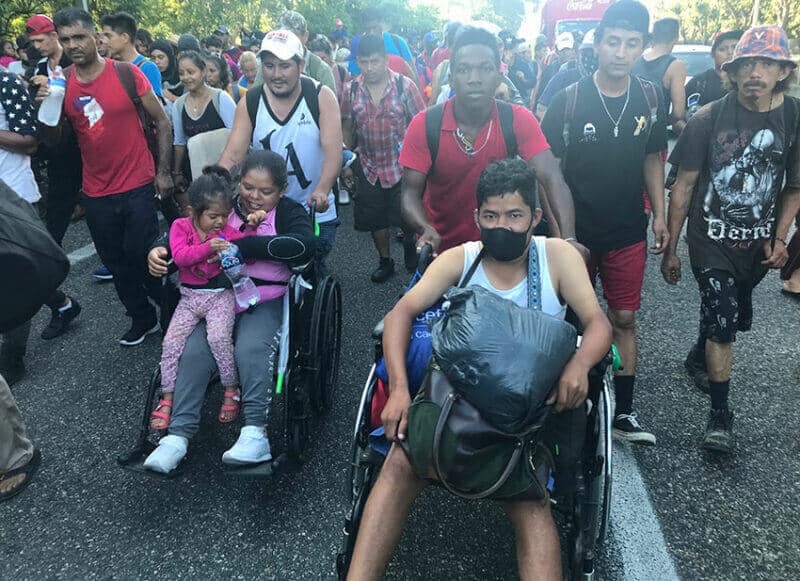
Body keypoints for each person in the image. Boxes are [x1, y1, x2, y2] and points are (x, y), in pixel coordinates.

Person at [347, 158, 612, 581]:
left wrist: (579, 364)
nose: (501, 226)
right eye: (490, 216)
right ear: (476, 217)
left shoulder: (558, 256)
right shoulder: (461, 259)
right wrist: (399, 389)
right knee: (399, 464)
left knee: (532, 502)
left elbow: (598, 323)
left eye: (514, 216)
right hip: (455, 404)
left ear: (536, 218)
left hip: (523, 418)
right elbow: (401, 314)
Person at [662, 25, 800, 454]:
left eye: (766, 64)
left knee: (729, 315)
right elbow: (683, 186)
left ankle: (695, 355)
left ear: (782, 71)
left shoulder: (794, 117)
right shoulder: (708, 118)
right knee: (723, 318)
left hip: (757, 246)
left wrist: (780, 239)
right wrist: (672, 246)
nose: (755, 72)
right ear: (732, 70)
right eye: (746, 64)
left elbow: (794, 186)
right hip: (711, 240)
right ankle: (720, 417)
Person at [541, 0, 669, 446]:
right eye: (612, 41)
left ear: (642, 48)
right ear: (597, 44)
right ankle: (568, 400)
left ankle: (625, 413)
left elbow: (654, 158)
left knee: (624, 318)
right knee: (570, 319)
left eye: (632, 44)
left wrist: (662, 217)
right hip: (575, 234)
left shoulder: (651, 97)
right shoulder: (568, 99)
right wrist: (559, 235)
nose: (620, 51)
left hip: (627, 229)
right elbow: (547, 170)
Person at [142, 152, 316, 474]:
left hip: (266, 296)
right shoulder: (225, 206)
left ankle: (254, 433)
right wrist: (158, 248)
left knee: (250, 347)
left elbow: (306, 245)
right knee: (193, 350)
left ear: (281, 190)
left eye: (265, 191)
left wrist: (247, 245)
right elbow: (187, 227)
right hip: (218, 296)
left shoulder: (289, 212)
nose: (254, 197)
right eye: (248, 187)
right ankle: (177, 436)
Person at [40, 8, 174, 346]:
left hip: (138, 182)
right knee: (116, 262)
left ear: (95, 37)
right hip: (96, 192)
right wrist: (49, 109)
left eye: (80, 37)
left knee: (144, 256)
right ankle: (142, 319)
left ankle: (173, 311)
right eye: (66, 39)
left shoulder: (127, 73)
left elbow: (163, 122)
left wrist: (163, 172)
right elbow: (54, 142)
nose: (74, 45)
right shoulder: (62, 82)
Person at [400, 26, 578, 257]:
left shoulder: (517, 119)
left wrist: (569, 239)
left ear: (499, 76)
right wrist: (425, 228)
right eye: (464, 70)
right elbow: (409, 193)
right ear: (451, 78)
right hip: (442, 253)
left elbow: (552, 177)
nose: (474, 79)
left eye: (485, 69)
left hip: (503, 251)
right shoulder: (424, 124)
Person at [150, 172, 269, 431]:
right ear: (193, 211)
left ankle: (230, 388)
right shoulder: (181, 227)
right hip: (190, 297)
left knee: (218, 339)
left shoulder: (227, 233)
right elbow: (180, 257)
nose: (220, 222)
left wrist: (250, 229)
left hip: (220, 297)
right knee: (171, 343)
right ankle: (167, 395)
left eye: (224, 215)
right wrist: (210, 247)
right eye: (213, 216)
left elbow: (246, 256)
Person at [219, 30, 343, 269]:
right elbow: (232, 154)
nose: (276, 74)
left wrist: (322, 189)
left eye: (285, 66)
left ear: (301, 65)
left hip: (313, 209)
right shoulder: (250, 102)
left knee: (309, 271)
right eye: (269, 66)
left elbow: (333, 152)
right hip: (265, 211)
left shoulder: (320, 97)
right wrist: (213, 188)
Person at [341, 34, 426, 282]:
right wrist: (346, 158)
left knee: (407, 215)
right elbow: (346, 124)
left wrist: (422, 161)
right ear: (358, 61)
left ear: (386, 59)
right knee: (374, 217)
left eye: (375, 61)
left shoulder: (404, 86)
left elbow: (421, 122)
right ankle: (385, 261)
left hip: (402, 165)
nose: (370, 68)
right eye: (364, 62)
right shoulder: (351, 89)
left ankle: (410, 244)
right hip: (367, 165)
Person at [172, 51, 236, 187]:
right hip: (197, 173)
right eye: (181, 73)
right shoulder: (179, 105)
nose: (186, 77)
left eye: (190, 72)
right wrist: (177, 173)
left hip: (225, 172)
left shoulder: (220, 98)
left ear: (203, 72)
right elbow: (179, 142)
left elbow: (236, 135)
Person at [632, 17, 686, 134]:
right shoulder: (676, 66)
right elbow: (678, 113)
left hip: (630, 132)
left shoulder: (635, 60)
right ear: (676, 37)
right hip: (655, 137)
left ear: (654, 36)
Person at [536, 29, 597, 119]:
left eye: (596, 53)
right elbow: (541, 109)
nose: (593, 57)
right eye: (587, 52)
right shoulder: (563, 76)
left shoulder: (619, 81)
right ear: (577, 51)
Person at [99, 12, 163, 98]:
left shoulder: (148, 67)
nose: (104, 41)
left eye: (109, 36)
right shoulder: (110, 66)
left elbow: (156, 107)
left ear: (125, 37)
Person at [276, 11, 336, 93]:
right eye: (281, 38)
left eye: (292, 38)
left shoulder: (321, 70)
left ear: (305, 36)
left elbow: (330, 104)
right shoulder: (267, 67)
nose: (286, 43)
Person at [684, 30, 743, 109]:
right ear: (712, 54)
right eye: (722, 49)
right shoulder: (698, 83)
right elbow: (682, 114)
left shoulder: (749, 82)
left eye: (735, 48)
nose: (730, 52)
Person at [349, 8, 414, 76]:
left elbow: (413, 77)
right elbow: (354, 77)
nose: (372, 32)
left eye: (375, 27)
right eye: (368, 29)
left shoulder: (398, 42)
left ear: (381, 23)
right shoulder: (358, 45)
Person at [537, 32, 576, 108]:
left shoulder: (578, 69)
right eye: (562, 50)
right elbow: (541, 95)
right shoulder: (549, 70)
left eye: (568, 49)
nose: (566, 53)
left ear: (573, 50)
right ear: (557, 51)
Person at [149, 38, 183, 102]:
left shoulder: (182, 74)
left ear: (169, 57)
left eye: (160, 57)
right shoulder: (148, 76)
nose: (156, 61)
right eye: (153, 58)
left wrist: (173, 98)